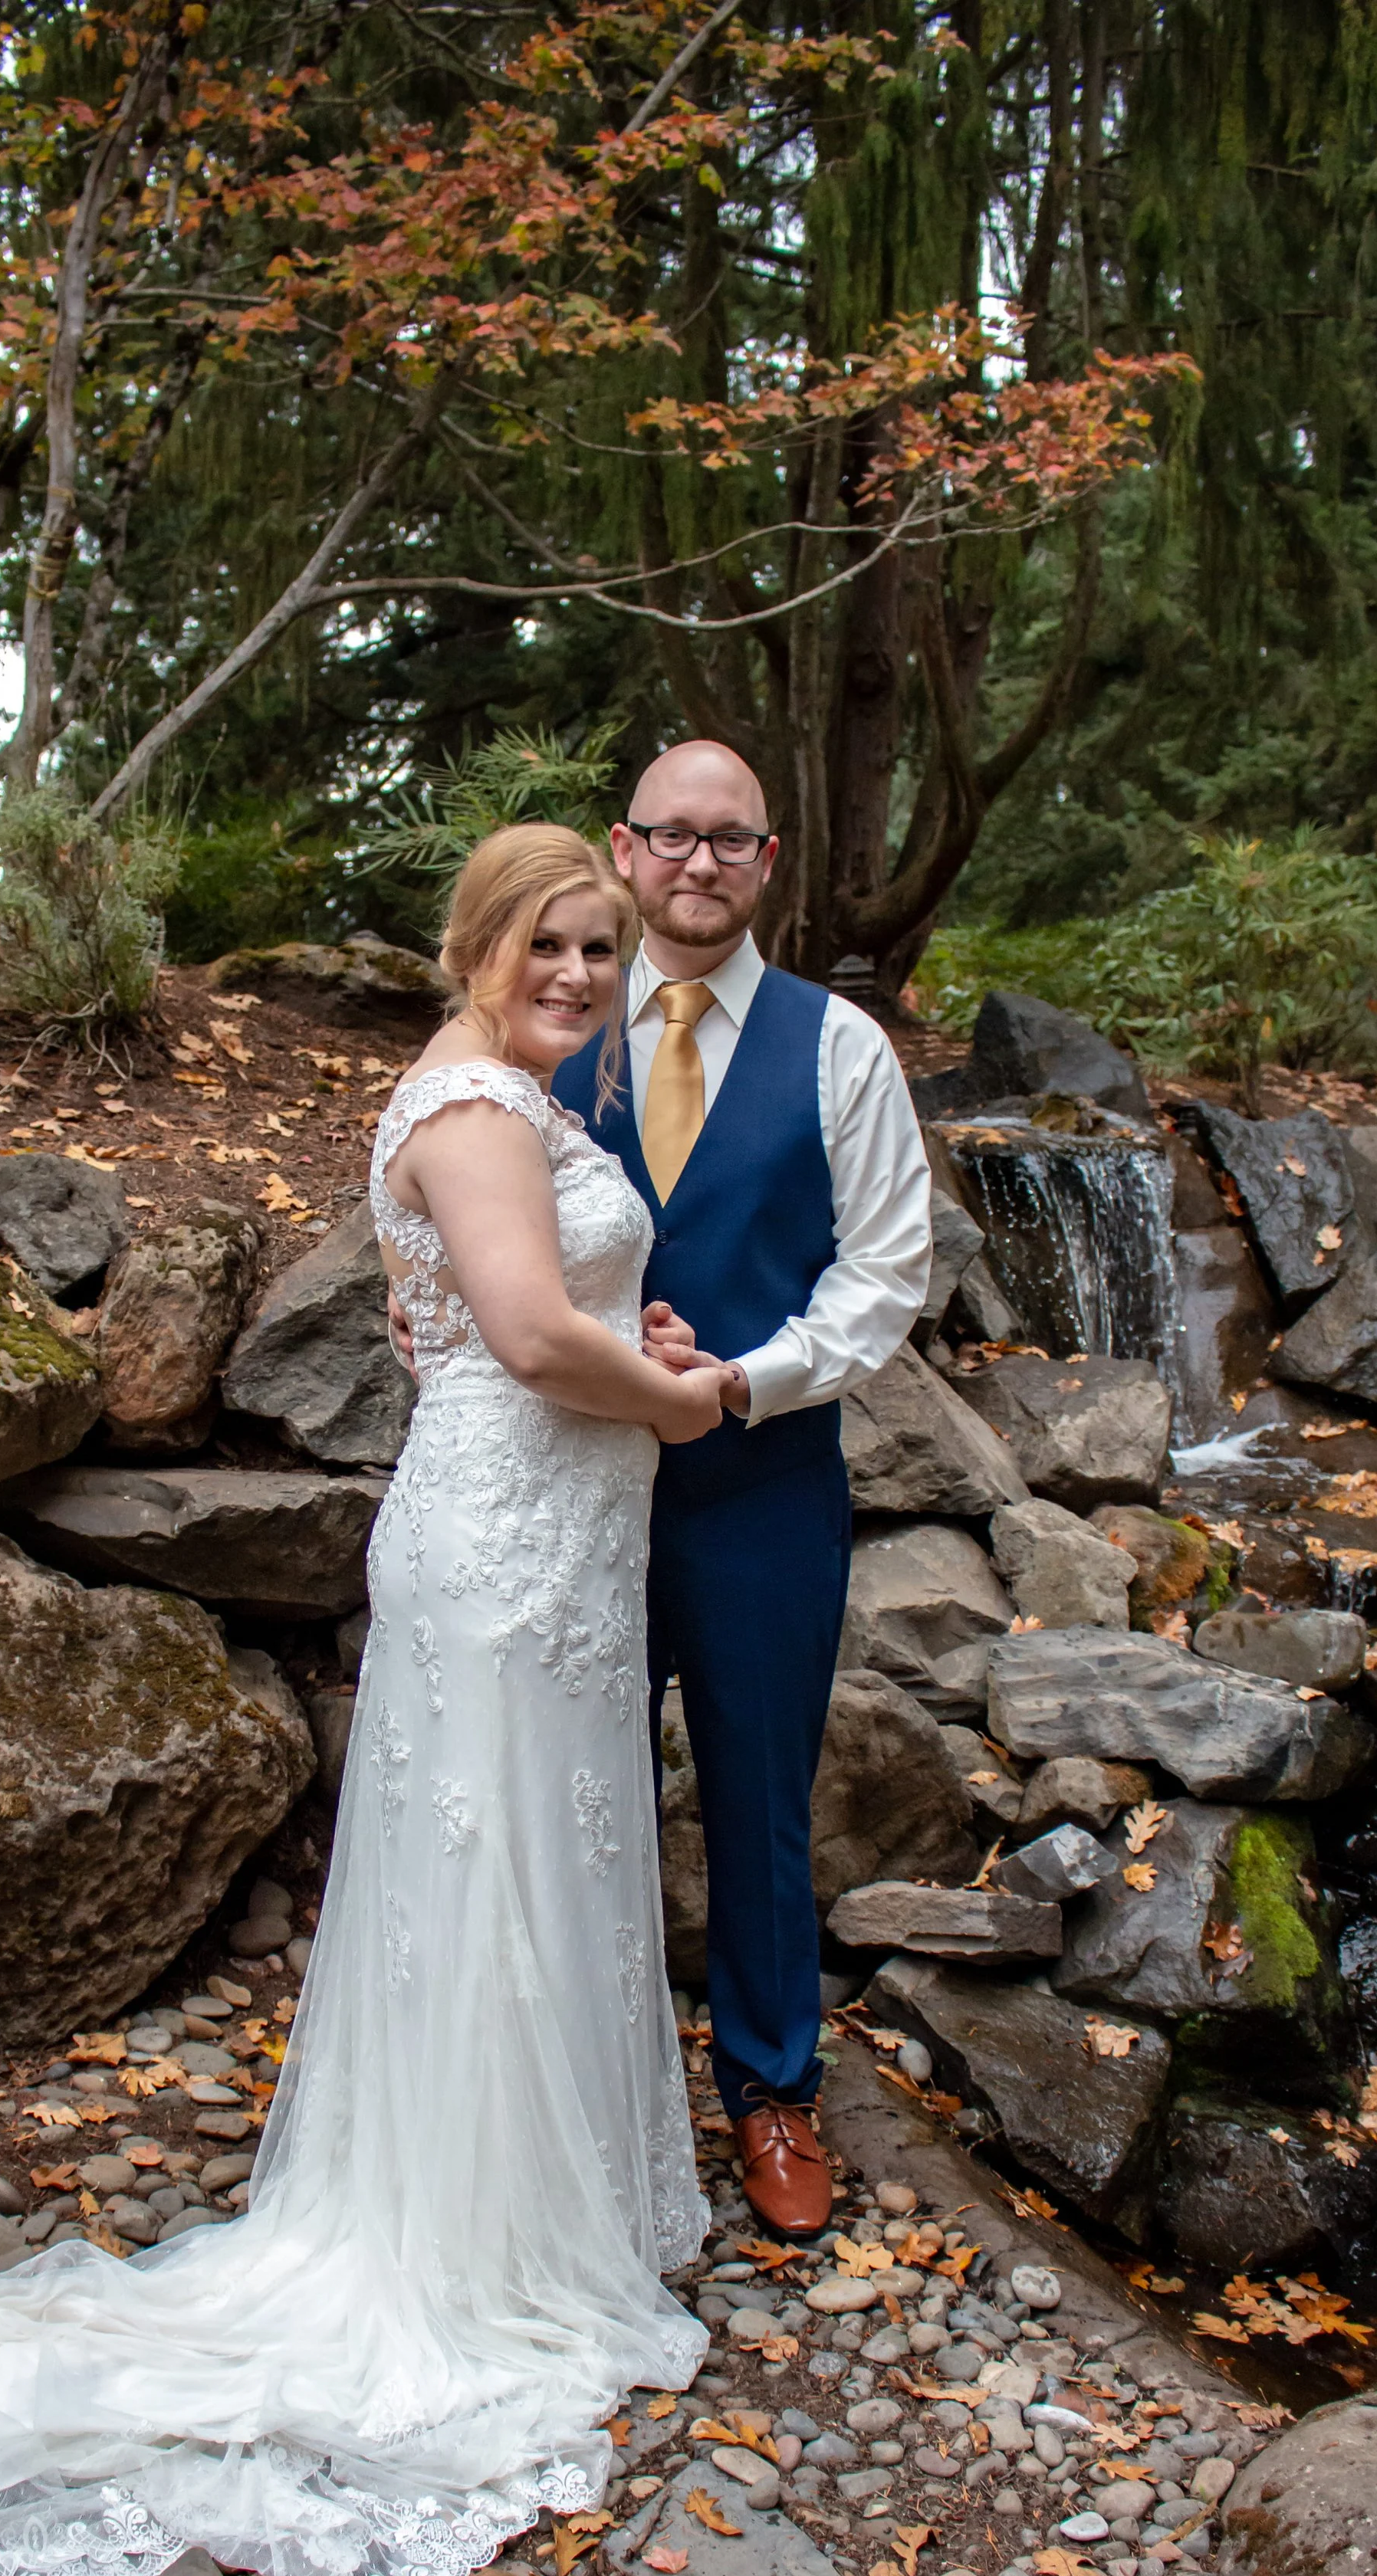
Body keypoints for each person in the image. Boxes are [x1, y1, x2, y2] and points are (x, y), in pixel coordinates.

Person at [0, 824, 727, 2576]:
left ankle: (541, 2213)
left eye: (604, 951)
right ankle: (466, 2257)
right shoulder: (468, 1109)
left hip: (552, 1541)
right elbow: (531, 1339)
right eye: (551, 941)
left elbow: (523, 1312)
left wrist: (637, 1327)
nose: (578, 974)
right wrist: (678, 1397)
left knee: (547, 1861)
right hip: (507, 1534)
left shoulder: (512, 1107)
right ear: (479, 941)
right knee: (497, 1868)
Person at [550, 740, 932, 2240]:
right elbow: (457, 1204)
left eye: (727, 841)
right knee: (572, 1788)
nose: (695, 864)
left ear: (766, 862)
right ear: (624, 851)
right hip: (571, 1483)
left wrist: (741, 1383)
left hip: (761, 1484)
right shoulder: (555, 1029)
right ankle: (580, 2089)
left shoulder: (840, 1050)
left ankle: (770, 2093)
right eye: (669, 838)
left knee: (760, 1798)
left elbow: (883, 1275)